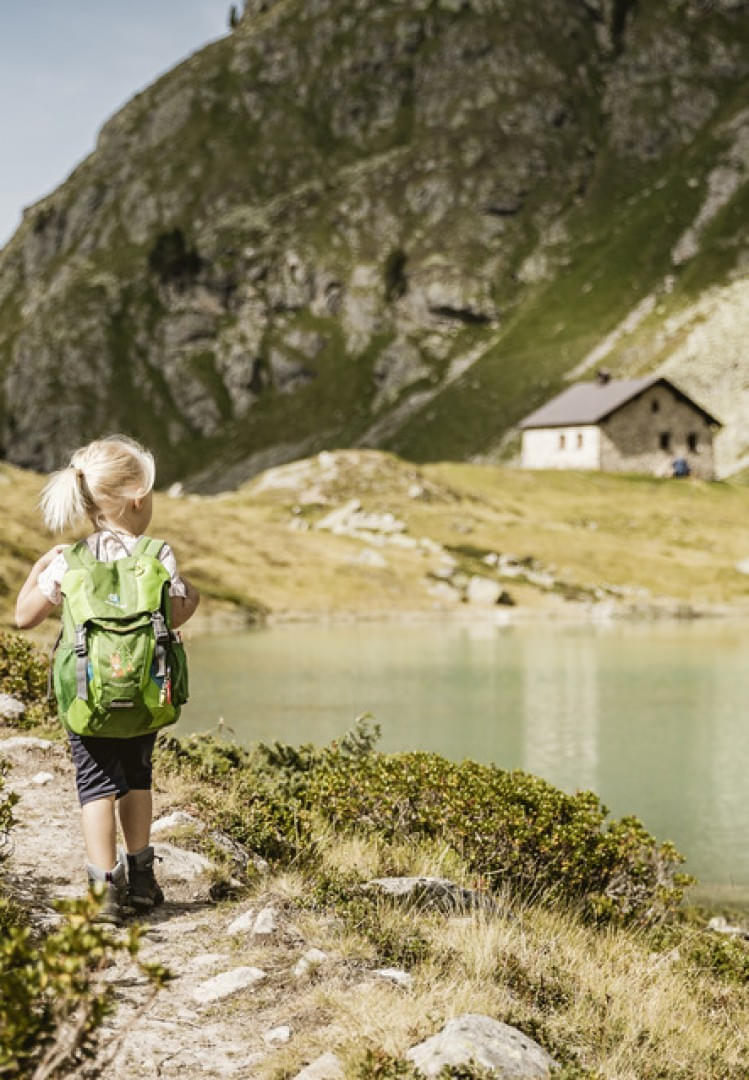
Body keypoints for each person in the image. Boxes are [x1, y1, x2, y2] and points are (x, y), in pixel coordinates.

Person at [15, 435, 200, 922]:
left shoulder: (67, 561)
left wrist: (37, 570)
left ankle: (103, 892)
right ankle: (142, 878)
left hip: (86, 697)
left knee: (95, 785)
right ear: (138, 496)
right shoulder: (157, 556)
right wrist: (192, 597)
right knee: (137, 778)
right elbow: (174, 614)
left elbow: (24, 617)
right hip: (143, 695)